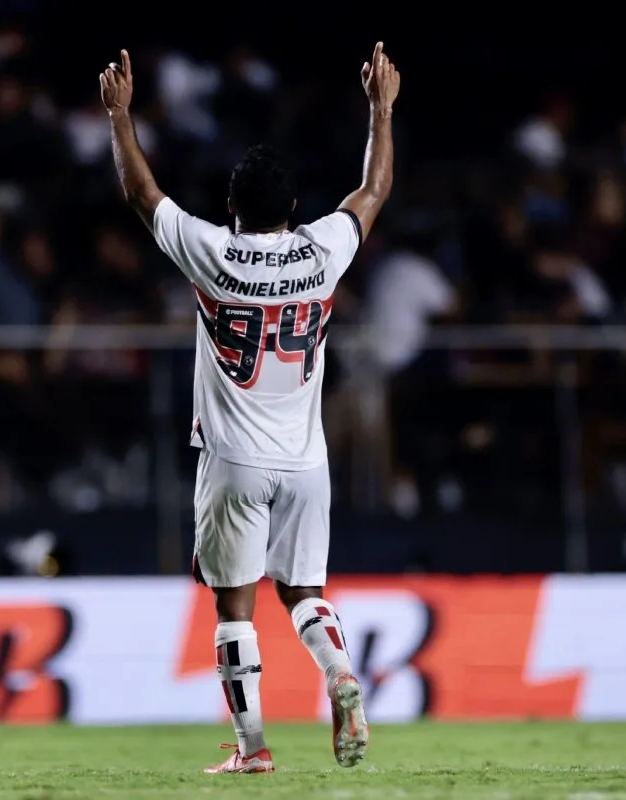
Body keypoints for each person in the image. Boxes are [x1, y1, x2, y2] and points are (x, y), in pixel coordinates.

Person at [100, 43, 400, 773]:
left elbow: (144, 196)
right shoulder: (321, 251)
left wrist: (119, 115)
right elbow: (373, 191)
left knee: (235, 608)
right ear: (295, 208)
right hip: (306, 459)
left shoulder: (213, 253)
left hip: (233, 460)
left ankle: (253, 749)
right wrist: (381, 109)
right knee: (304, 592)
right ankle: (339, 673)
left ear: (231, 208)